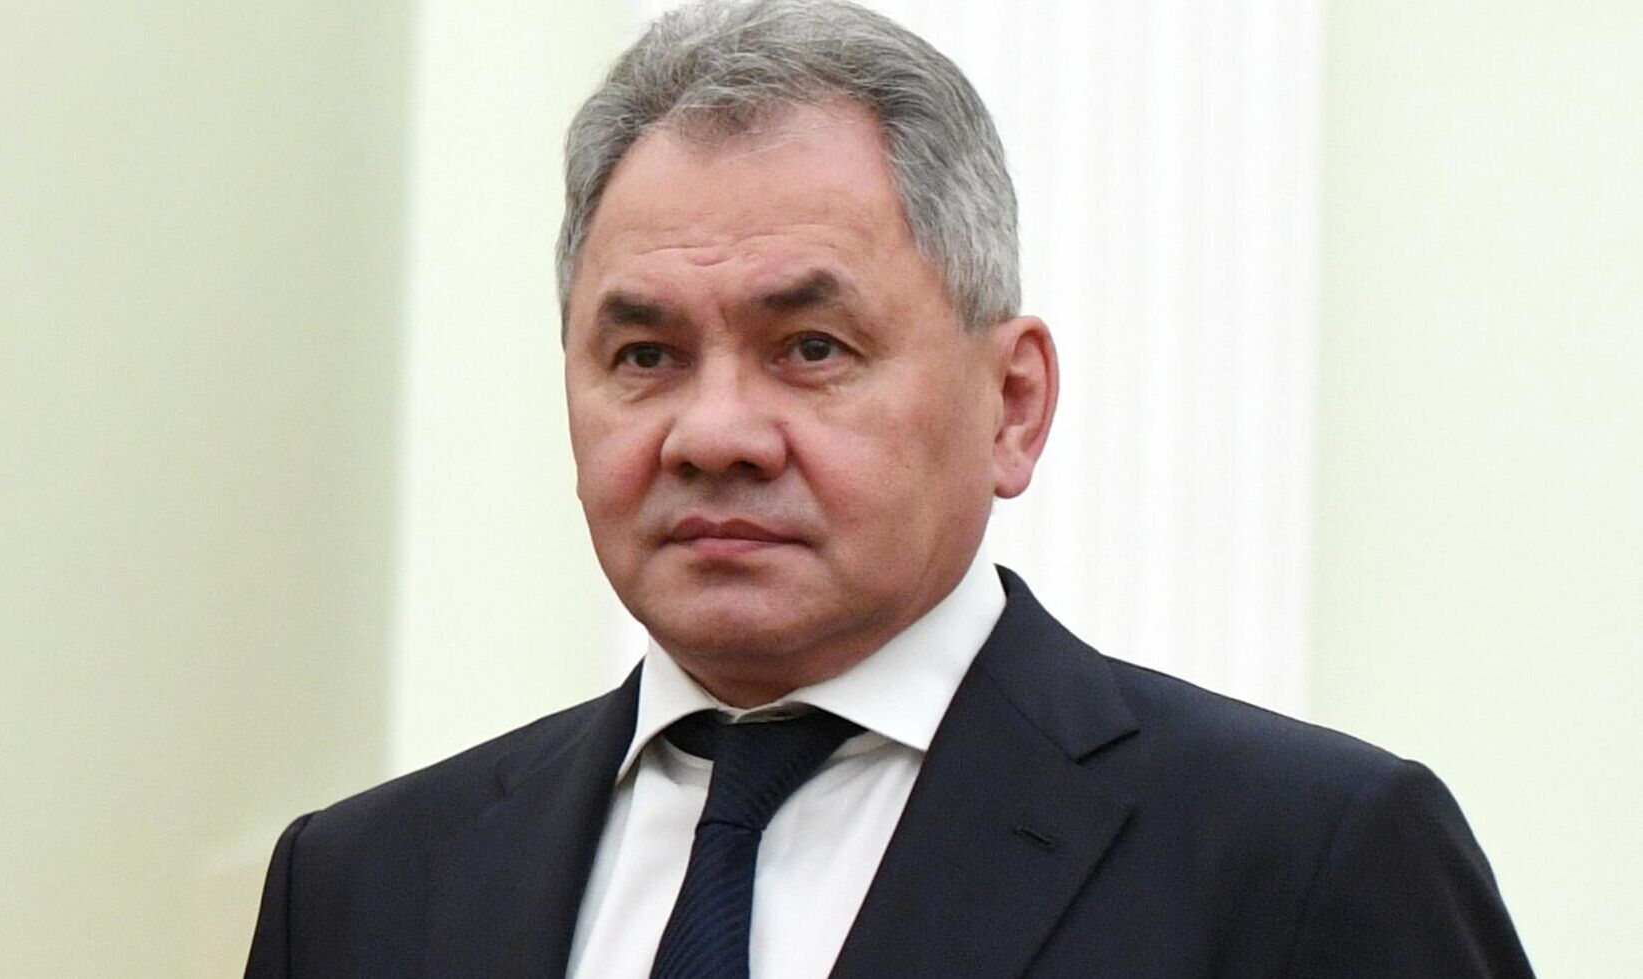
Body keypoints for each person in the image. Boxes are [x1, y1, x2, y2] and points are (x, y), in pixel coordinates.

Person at [244, 1, 1535, 976]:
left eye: (812, 348)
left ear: (1012, 403)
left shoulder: (1303, 860)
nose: (715, 434)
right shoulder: (362, 888)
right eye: (644, 356)